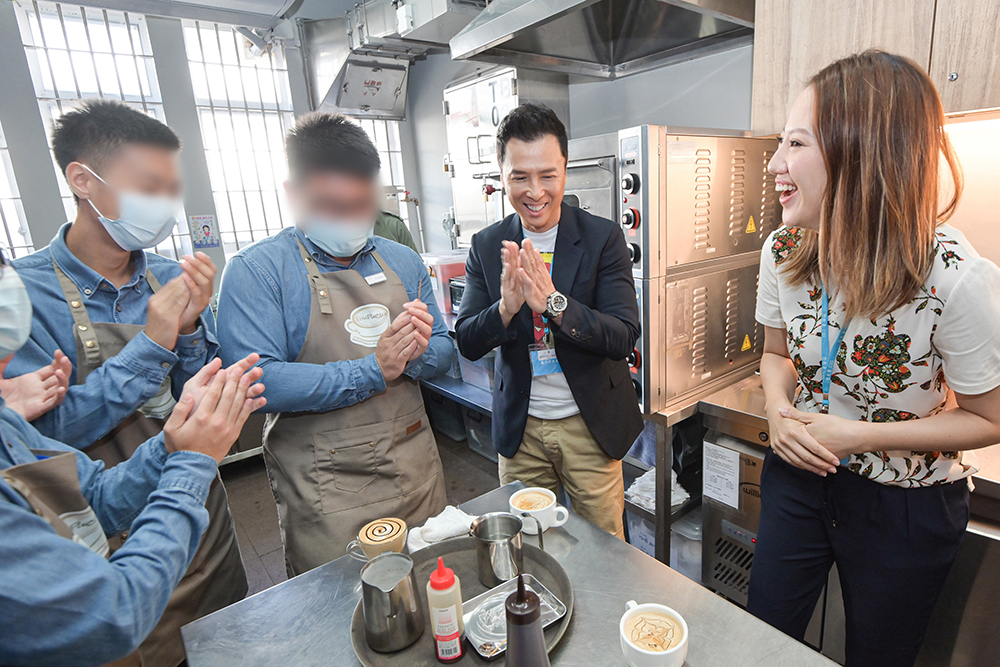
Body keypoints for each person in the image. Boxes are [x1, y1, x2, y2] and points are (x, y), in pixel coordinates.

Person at [747, 51, 1000, 667]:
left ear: (861, 154)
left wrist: (855, 435)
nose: (776, 163)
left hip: (905, 506)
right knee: (757, 640)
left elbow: (991, 418)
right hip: (800, 475)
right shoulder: (784, 248)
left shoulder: (956, 279)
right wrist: (779, 412)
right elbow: (775, 354)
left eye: (797, 143)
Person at [4, 99, 246, 667]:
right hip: (105, 540)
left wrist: (189, 338)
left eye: (170, 188)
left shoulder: (169, 274)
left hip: (200, 515)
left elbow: (197, 391)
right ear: (84, 180)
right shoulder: (24, 296)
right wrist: (152, 344)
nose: (163, 204)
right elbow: (46, 436)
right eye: (147, 186)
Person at [0, 251, 267, 667]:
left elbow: (95, 495)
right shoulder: (38, 289)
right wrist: (190, 462)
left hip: (176, 534)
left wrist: (171, 446)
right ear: (82, 181)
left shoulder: (5, 423)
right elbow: (112, 614)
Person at [216, 112, 450, 576]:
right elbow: (258, 380)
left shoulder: (402, 260)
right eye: (331, 205)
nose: (349, 218)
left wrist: (419, 352)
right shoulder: (257, 271)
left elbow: (445, 352)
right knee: (341, 617)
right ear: (293, 194)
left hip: (415, 472)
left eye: (360, 204)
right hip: (326, 490)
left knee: (433, 595)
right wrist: (373, 369)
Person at [455, 104, 642, 539]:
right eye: (519, 176)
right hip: (522, 432)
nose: (535, 191)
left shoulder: (602, 237)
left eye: (547, 175)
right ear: (501, 174)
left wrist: (553, 303)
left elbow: (623, 336)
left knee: (604, 546)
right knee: (530, 545)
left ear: (565, 169)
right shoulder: (487, 244)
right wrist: (505, 307)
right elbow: (466, 340)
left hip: (588, 425)